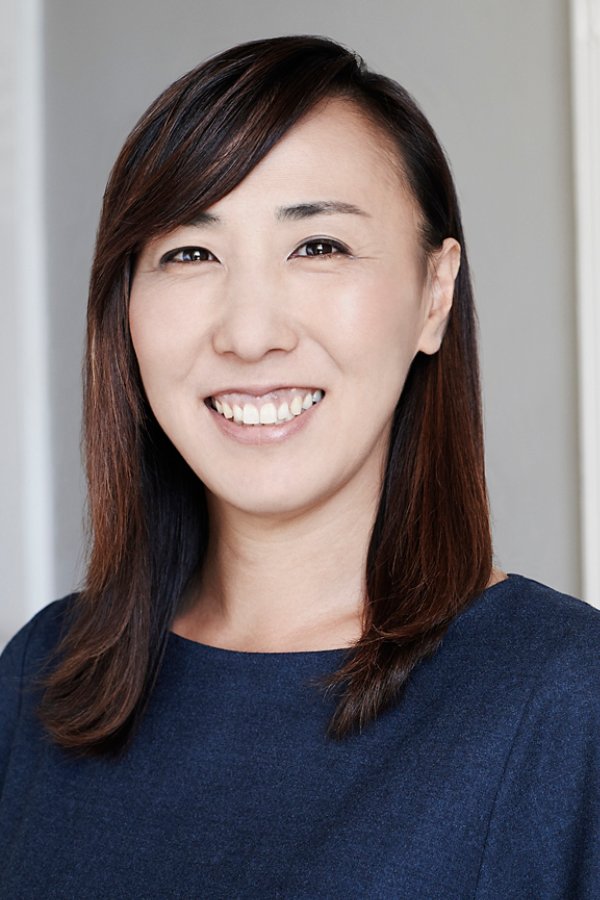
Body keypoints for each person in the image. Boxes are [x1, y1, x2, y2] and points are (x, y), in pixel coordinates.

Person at [1, 34, 598, 899]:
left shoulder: (562, 699)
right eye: (190, 254)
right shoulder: (41, 677)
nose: (250, 333)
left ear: (435, 295)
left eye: (317, 246)